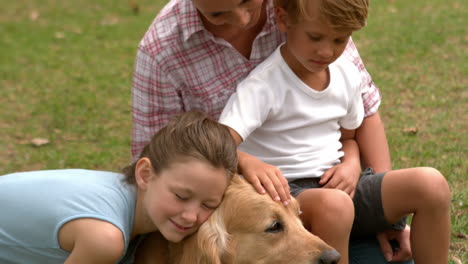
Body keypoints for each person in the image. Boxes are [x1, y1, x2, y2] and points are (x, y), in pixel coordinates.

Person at [130, 0, 412, 262]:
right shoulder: (161, 50)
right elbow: (157, 161)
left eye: (246, 1)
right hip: (241, 220)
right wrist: (241, 160)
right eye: (218, 14)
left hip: (329, 197)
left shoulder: (305, 8)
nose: (242, 19)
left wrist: (385, 218)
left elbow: (364, 111)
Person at [218, 0, 451, 263]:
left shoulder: (347, 75)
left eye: (340, 40)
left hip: (341, 183)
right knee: (335, 206)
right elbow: (219, 143)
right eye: (315, 37)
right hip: (287, 195)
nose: (327, 51)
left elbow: (349, 138)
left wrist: (351, 164)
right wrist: (249, 162)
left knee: (431, 184)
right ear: (284, 20)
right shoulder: (262, 86)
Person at [0, 111, 238, 264]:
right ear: (145, 174)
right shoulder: (105, 238)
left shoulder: (126, 197)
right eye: (181, 196)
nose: (190, 216)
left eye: (208, 205)